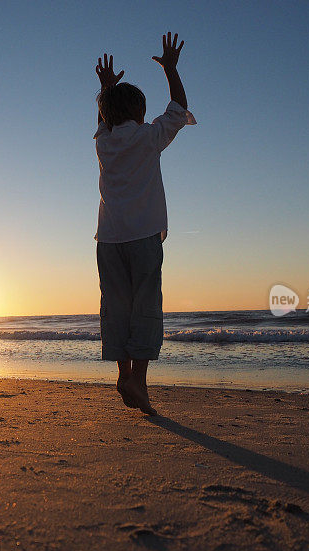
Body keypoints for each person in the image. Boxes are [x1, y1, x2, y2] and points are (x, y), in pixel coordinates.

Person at [93, 32, 196, 416]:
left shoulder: (103, 143)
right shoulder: (149, 137)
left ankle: (124, 374)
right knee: (146, 307)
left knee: (117, 307)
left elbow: (103, 122)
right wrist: (171, 69)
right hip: (144, 238)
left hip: (109, 240)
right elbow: (178, 108)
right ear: (139, 113)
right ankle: (138, 379)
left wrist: (105, 91)